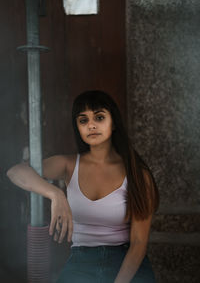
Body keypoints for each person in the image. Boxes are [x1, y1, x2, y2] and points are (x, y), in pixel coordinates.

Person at [7, 90, 159, 283]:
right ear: (77, 127)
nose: (91, 125)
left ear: (114, 124)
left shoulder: (137, 175)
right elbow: (15, 172)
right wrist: (55, 194)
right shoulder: (68, 165)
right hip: (81, 262)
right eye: (83, 120)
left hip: (127, 261)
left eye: (99, 117)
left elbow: (139, 244)